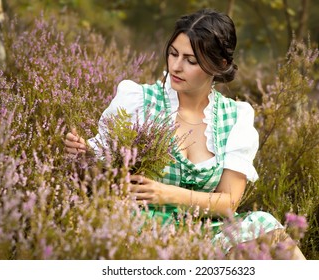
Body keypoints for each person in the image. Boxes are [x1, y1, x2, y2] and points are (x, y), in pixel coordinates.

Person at [64, 8, 306, 259]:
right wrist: (84, 153)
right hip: (143, 227)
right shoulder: (139, 101)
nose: (176, 67)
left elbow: (229, 203)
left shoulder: (235, 117)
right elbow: (102, 167)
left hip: (206, 231)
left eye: (191, 60)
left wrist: (166, 194)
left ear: (219, 65)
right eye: (173, 54)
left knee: (267, 226)